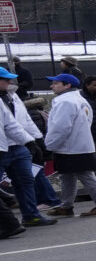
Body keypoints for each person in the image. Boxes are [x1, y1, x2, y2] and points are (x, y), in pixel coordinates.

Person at [43, 73, 96, 217]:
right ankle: (67, 205)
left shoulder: (66, 102)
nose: (51, 86)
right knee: (68, 176)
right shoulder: (80, 101)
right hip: (78, 145)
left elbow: (60, 127)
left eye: (55, 83)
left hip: (70, 147)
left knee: (85, 175)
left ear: (67, 85)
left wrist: (49, 145)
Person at [0, 66, 51, 226]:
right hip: (2, 148)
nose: (10, 81)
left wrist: (34, 140)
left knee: (25, 181)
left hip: (18, 145)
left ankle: (31, 215)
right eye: (5, 79)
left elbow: (21, 122)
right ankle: (8, 222)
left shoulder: (11, 96)